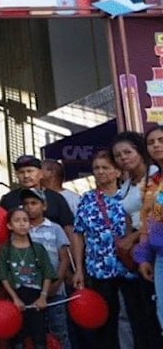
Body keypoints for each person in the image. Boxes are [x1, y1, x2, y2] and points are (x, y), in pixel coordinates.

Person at [72, 150, 129, 349]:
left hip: (129, 267)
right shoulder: (87, 199)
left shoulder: (130, 195)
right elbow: (78, 234)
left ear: (118, 172)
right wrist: (79, 268)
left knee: (131, 315)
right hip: (99, 269)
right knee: (105, 318)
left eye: (106, 167)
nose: (100, 172)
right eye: (96, 168)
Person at [109, 131, 162, 347]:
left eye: (128, 152)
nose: (123, 157)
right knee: (153, 313)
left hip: (146, 245)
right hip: (153, 252)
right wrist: (141, 255)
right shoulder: (149, 181)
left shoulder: (153, 175)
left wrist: (133, 239)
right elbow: (150, 217)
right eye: (118, 155)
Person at [0, 206, 54, 349]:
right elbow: (2, 275)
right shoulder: (5, 249)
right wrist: (14, 299)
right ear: (9, 225)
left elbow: (47, 273)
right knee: (17, 340)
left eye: (25, 220)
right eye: (17, 220)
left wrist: (43, 297)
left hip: (36, 298)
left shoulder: (38, 248)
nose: (22, 224)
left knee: (39, 338)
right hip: (15, 299)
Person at [22, 188, 71, 349]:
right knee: (35, 335)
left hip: (55, 291)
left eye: (34, 203)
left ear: (44, 206)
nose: (30, 207)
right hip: (30, 292)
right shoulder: (21, 230)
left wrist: (57, 283)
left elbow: (64, 258)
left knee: (59, 332)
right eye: (26, 204)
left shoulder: (55, 228)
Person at [134, 124, 163, 331]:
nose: (156, 145)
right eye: (151, 142)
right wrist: (143, 256)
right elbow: (147, 220)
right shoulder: (151, 183)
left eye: (161, 140)